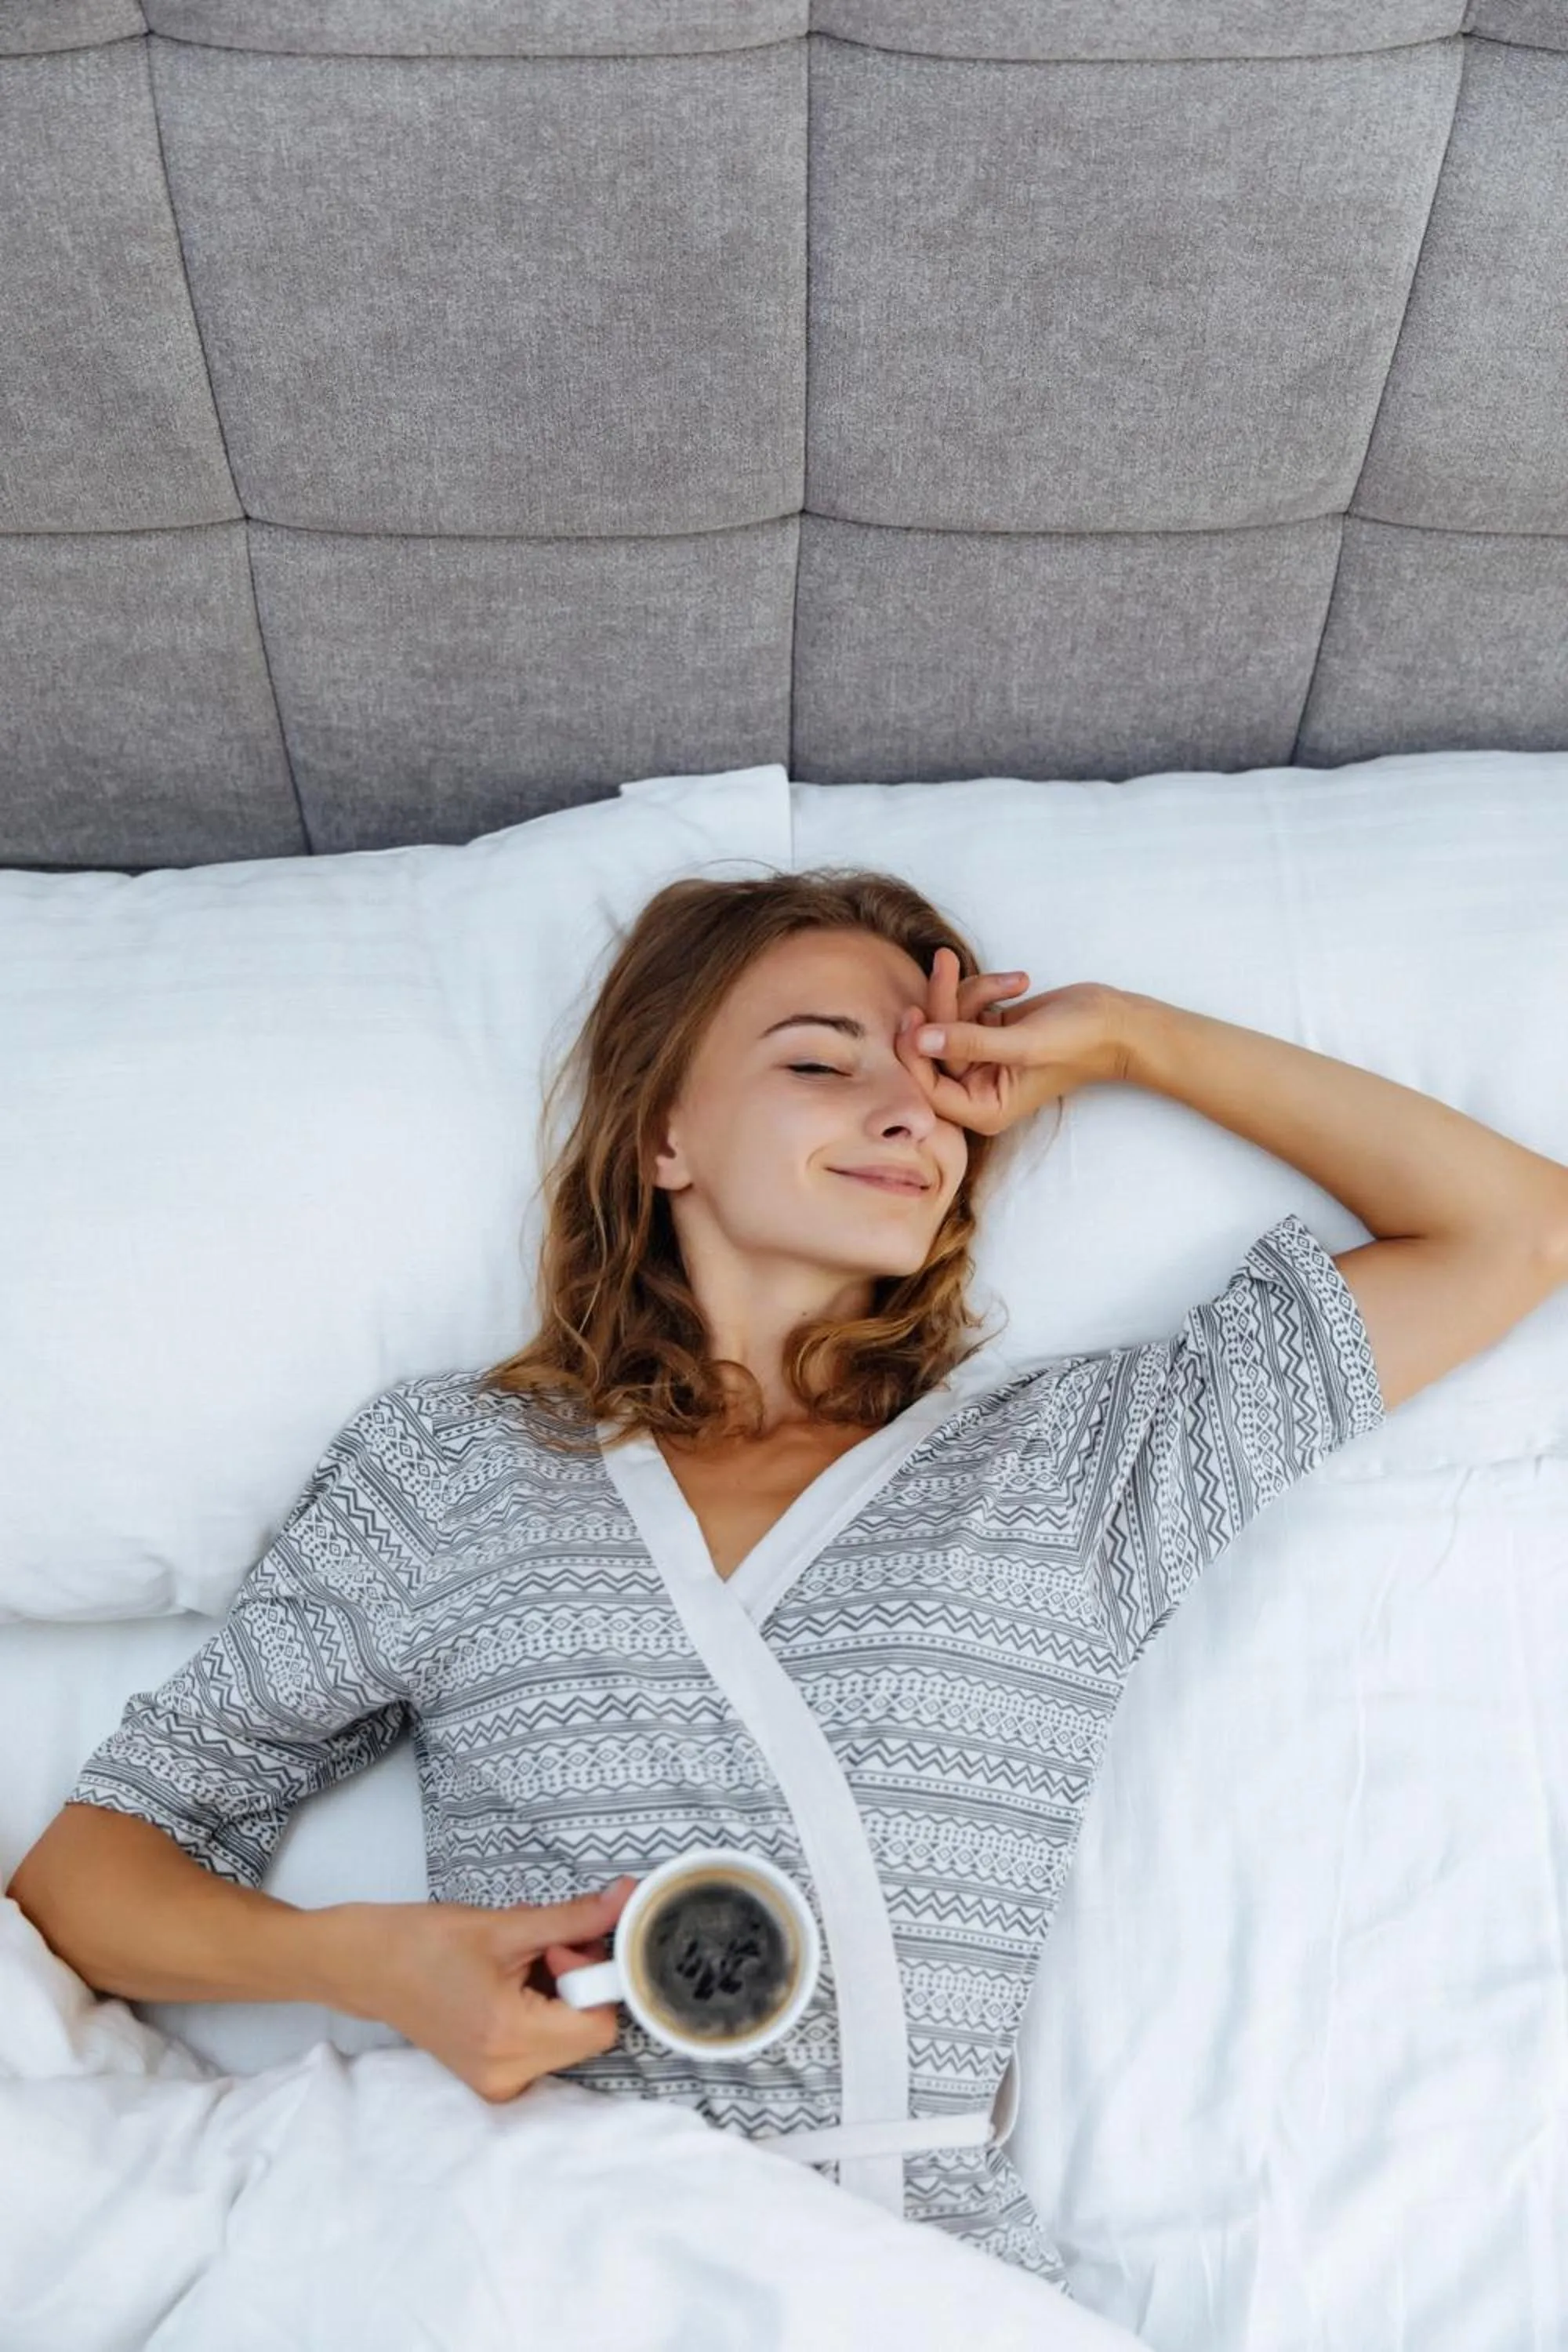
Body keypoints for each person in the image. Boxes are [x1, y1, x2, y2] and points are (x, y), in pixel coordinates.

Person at [10, 869, 1568, 2304]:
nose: (910, 1110)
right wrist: (374, 1961)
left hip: (909, 2274)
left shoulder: (1080, 1468)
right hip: (529, 2241)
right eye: (824, 1061)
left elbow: (1513, 1229)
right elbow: (84, 1878)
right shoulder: (451, 1471)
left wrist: (1129, 1041)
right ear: (659, 1138)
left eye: (947, 1079)